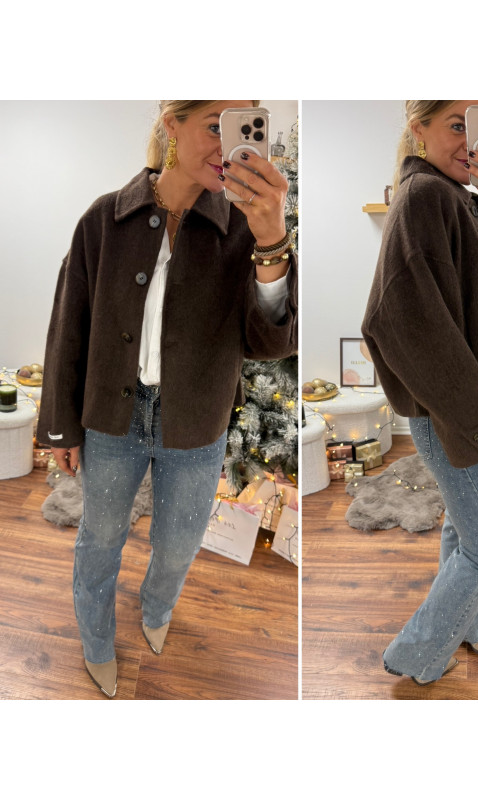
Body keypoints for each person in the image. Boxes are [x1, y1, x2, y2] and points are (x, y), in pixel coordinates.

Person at [37, 100, 298, 697]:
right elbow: (68, 328)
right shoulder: (104, 220)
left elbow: (268, 343)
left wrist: (271, 242)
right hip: (112, 417)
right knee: (101, 537)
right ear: (171, 123)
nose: (226, 146)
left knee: (179, 544)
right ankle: (96, 637)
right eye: (214, 126)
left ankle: (156, 607)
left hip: (196, 421)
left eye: (240, 129)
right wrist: (60, 427)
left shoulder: (243, 229)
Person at [361, 101, 478, 685]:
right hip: (454, 412)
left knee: (466, 526)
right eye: (455, 126)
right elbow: (399, 322)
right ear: (418, 129)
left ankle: (468, 622)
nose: (471, 142)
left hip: (466, 405)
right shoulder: (425, 197)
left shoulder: (462, 198)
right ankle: (417, 653)